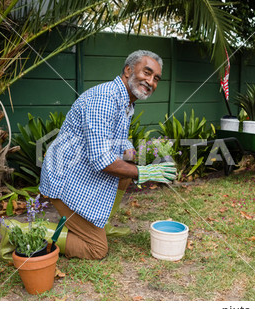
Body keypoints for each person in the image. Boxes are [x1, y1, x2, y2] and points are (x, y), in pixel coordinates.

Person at [39, 50, 176, 260]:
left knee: (126, 170)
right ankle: (31, 234)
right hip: (64, 180)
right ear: (128, 70)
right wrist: (145, 171)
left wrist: (144, 156)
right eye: (147, 73)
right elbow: (102, 160)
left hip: (81, 171)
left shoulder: (126, 102)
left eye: (156, 78)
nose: (151, 81)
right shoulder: (104, 99)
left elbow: (119, 144)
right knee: (97, 249)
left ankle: (97, 224)